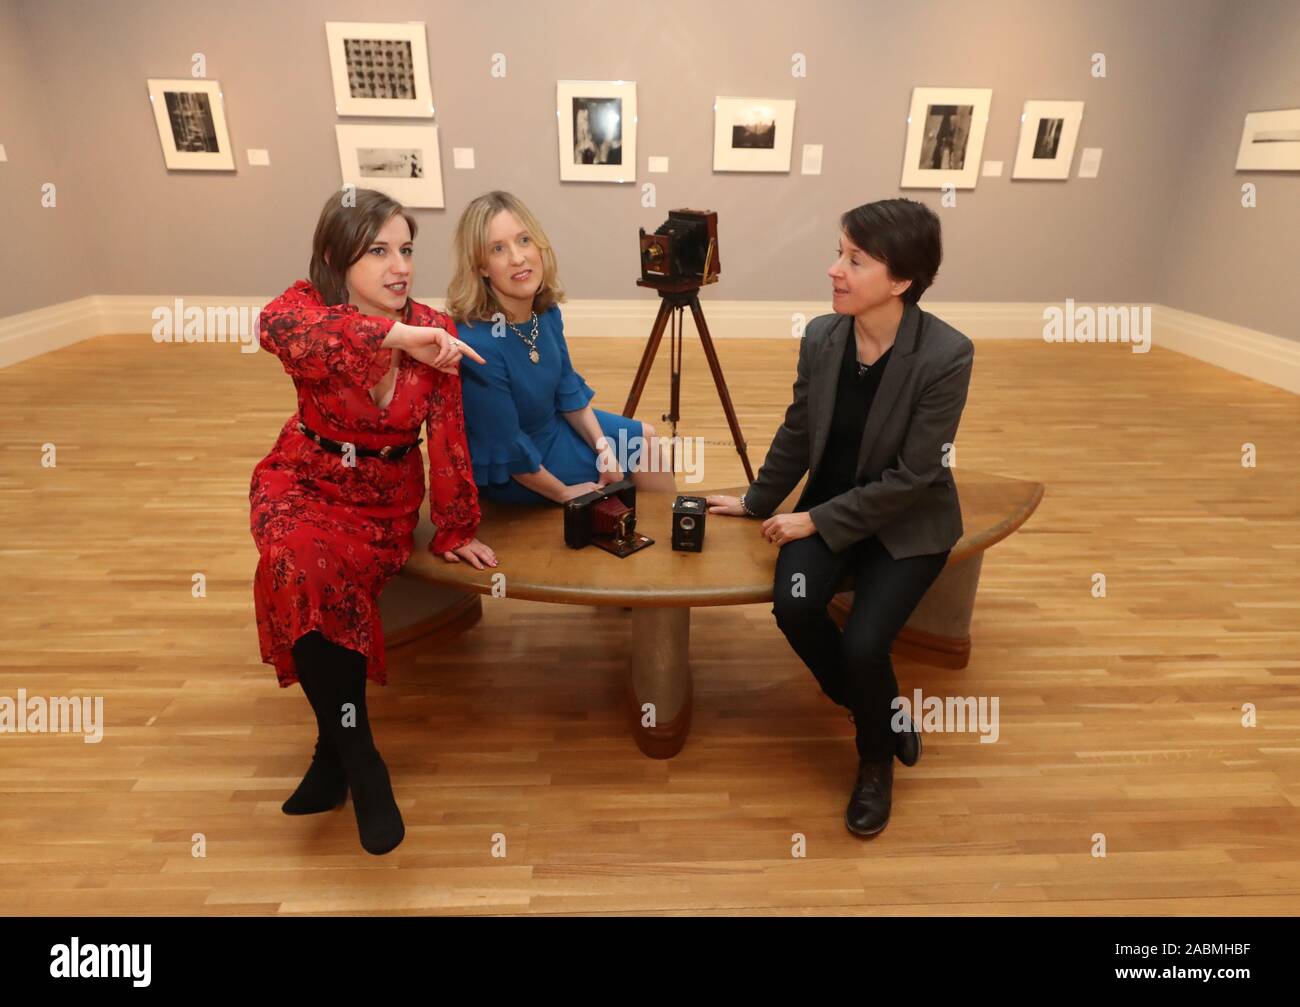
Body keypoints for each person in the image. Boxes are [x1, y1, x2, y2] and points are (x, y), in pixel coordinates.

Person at [706, 198, 974, 838]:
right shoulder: (823, 337)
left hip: (906, 521)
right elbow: (798, 431)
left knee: (863, 642)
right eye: (838, 253)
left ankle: (875, 760)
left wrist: (815, 522)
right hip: (829, 504)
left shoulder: (946, 355)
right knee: (795, 607)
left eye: (855, 260)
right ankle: (879, 712)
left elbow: (913, 477)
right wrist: (756, 501)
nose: (835, 270)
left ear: (901, 281)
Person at [250, 188, 496, 855]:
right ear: (337, 257)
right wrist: (395, 334)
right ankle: (362, 760)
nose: (400, 267)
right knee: (296, 563)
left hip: (382, 498)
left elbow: (448, 438)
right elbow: (271, 327)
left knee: (333, 581)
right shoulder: (307, 309)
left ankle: (332, 755)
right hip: (303, 477)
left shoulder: (435, 329)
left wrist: (455, 528)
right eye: (379, 251)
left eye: (407, 250)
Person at [446, 190, 676, 506]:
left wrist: (603, 448)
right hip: (518, 467)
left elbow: (567, 387)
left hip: (555, 427)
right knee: (627, 471)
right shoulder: (477, 343)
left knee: (645, 441)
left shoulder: (546, 312)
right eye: (498, 249)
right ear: (481, 266)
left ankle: (666, 536)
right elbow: (508, 446)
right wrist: (564, 493)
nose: (517, 257)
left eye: (524, 240)